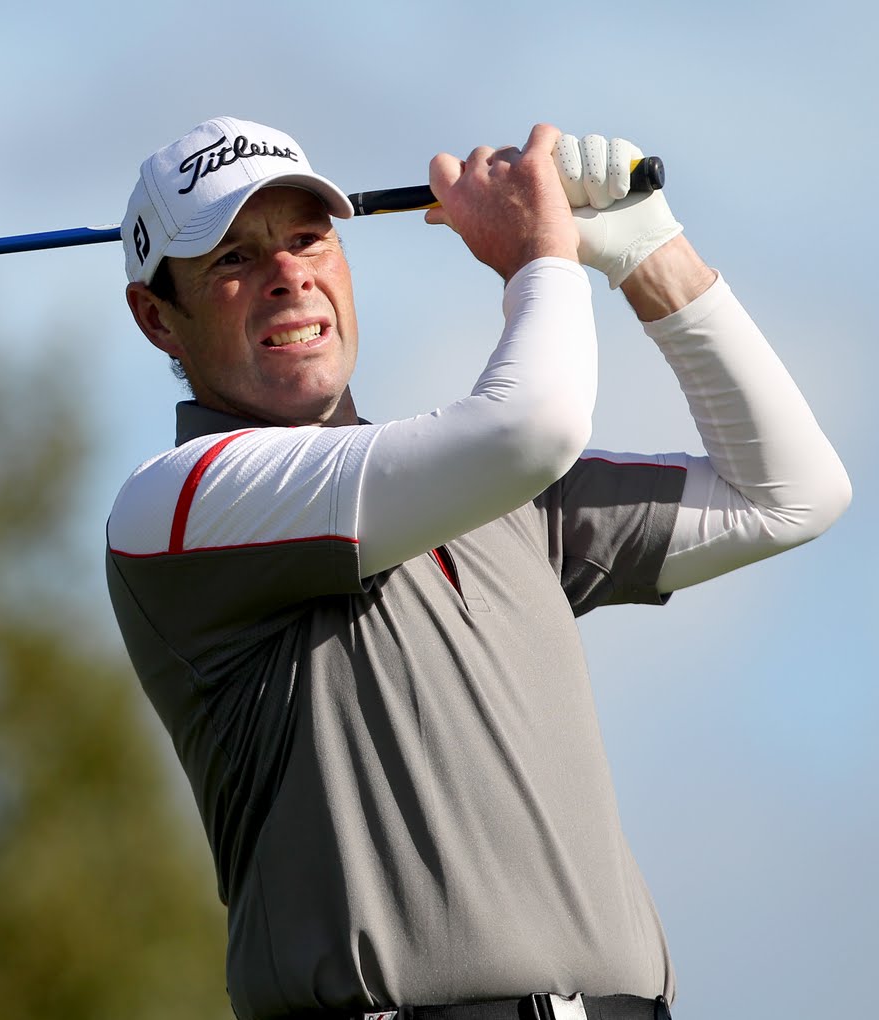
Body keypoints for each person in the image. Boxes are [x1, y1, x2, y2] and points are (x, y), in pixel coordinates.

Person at [104, 116, 851, 1020]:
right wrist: (540, 256)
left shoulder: (494, 491)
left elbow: (791, 493)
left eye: (309, 238)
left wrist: (647, 253)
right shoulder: (178, 507)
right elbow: (530, 427)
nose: (288, 273)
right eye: (231, 258)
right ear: (157, 320)